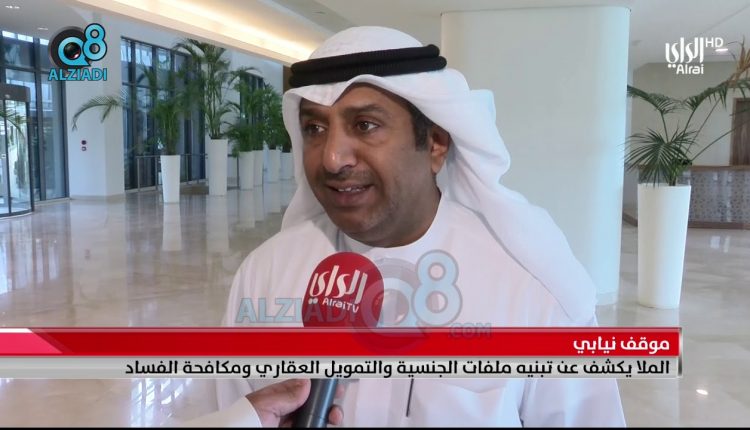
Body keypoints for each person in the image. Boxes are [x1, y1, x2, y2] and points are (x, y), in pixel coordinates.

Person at [205, 26, 626, 427]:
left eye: (365, 125)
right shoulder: (266, 273)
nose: (333, 158)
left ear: (436, 144)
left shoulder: (530, 289)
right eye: (315, 128)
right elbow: (226, 406)